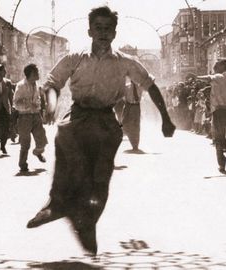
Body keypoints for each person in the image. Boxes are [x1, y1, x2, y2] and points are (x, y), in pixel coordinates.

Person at [26, 6, 175, 255]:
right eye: (98, 28)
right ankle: (56, 204)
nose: (103, 33)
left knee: (100, 177)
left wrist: (166, 118)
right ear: (90, 31)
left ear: (114, 33)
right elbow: (53, 83)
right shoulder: (75, 57)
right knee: (65, 137)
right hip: (79, 114)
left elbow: (150, 85)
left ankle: (87, 225)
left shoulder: (125, 62)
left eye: (108, 29)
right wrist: (51, 106)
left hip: (106, 120)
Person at [194, 59, 226, 173]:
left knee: (218, 139)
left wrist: (196, 77)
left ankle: (222, 165)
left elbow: (209, 78)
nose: (214, 65)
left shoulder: (219, 76)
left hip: (220, 111)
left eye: (217, 64)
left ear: (223, 66)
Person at [13, 64, 48, 173]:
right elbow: (16, 102)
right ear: (31, 74)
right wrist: (28, 104)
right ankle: (23, 164)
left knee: (41, 139)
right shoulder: (21, 85)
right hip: (24, 117)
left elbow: (41, 100)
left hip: (36, 115)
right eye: (36, 72)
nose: (38, 74)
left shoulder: (37, 85)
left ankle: (38, 152)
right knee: (25, 143)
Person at [121, 79, 143, 153]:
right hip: (129, 106)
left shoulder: (140, 87)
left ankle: (135, 145)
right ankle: (132, 141)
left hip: (136, 106)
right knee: (127, 124)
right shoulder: (126, 87)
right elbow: (123, 97)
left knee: (136, 125)